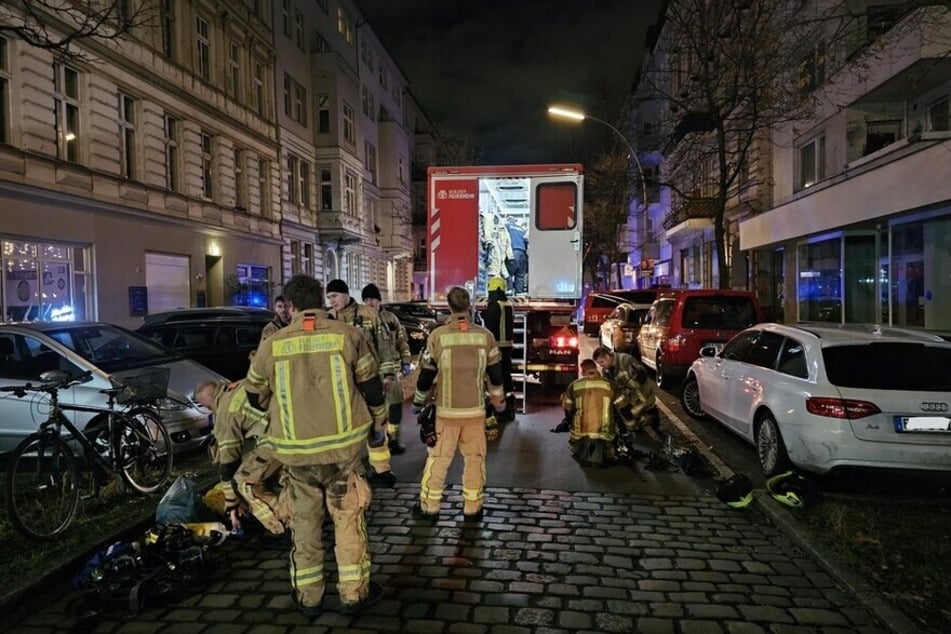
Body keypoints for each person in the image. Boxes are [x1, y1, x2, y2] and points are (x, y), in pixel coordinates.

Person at [244, 274, 387, 617]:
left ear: (290, 306)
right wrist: (378, 429)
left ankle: (309, 598)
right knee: (348, 522)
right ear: (322, 301)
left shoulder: (272, 344)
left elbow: (253, 396)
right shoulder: (349, 336)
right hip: (344, 454)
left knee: (304, 527)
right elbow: (372, 390)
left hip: (296, 455)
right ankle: (353, 595)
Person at [411, 286, 505, 523]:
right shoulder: (486, 336)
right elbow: (495, 376)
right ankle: (472, 509)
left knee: (438, 461)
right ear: (470, 306)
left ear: (449, 307)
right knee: (475, 460)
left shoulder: (438, 336)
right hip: (475, 413)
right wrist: (498, 402)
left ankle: (430, 507)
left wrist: (418, 402)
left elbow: (425, 377)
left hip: (446, 413)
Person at [326, 278, 398, 487]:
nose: (332, 301)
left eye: (335, 296)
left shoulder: (368, 314)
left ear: (346, 294)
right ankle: (349, 471)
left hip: (369, 380)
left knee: (376, 424)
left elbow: (384, 345)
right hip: (341, 384)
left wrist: (388, 375)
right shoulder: (329, 319)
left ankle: (382, 469)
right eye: (329, 297)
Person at [194, 379, 285, 535]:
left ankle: (282, 524)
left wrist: (232, 506)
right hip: (295, 428)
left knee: (245, 483)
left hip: (277, 439)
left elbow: (228, 465)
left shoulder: (224, 414)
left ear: (208, 407)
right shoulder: (240, 385)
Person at [361, 283, 413, 454]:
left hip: (391, 369)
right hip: (369, 372)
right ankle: (376, 440)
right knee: (374, 407)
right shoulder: (361, 320)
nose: (369, 303)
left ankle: (394, 440)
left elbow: (401, 341)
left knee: (395, 405)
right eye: (366, 299)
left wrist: (406, 360)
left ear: (379, 300)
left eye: (372, 299)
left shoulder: (390, 318)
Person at [561, 359, 618, 467]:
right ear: (595, 368)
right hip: (605, 430)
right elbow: (621, 405)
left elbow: (567, 408)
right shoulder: (610, 384)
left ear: (583, 370)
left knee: (574, 448)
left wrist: (569, 421)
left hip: (580, 431)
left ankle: (584, 449)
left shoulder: (574, 386)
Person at [592, 346, 659, 434]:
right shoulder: (606, 372)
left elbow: (642, 375)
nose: (601, 365)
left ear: (608, 357)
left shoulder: (625, 360)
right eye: (599, 363)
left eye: (602, 362)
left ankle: (652, 417)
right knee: (628, 420)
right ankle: (634, 429)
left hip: (642, 397)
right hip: (629, 399)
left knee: (646, 419)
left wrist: (631, 387)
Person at [483, 276, 516, 422]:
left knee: (494, 377)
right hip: (507, 346)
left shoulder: (494, 305)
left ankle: (495, 408)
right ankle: (509, 408)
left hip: (496, 347)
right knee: (506, 375)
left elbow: (489, 326)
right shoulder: (508, 304)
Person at [504, 219, 528, 294]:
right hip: (523, 254)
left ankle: (509, 293)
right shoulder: (522, 229)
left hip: (513, 252)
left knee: (509, 274)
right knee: (520, 276)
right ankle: (519, 295)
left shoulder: (507, 226)